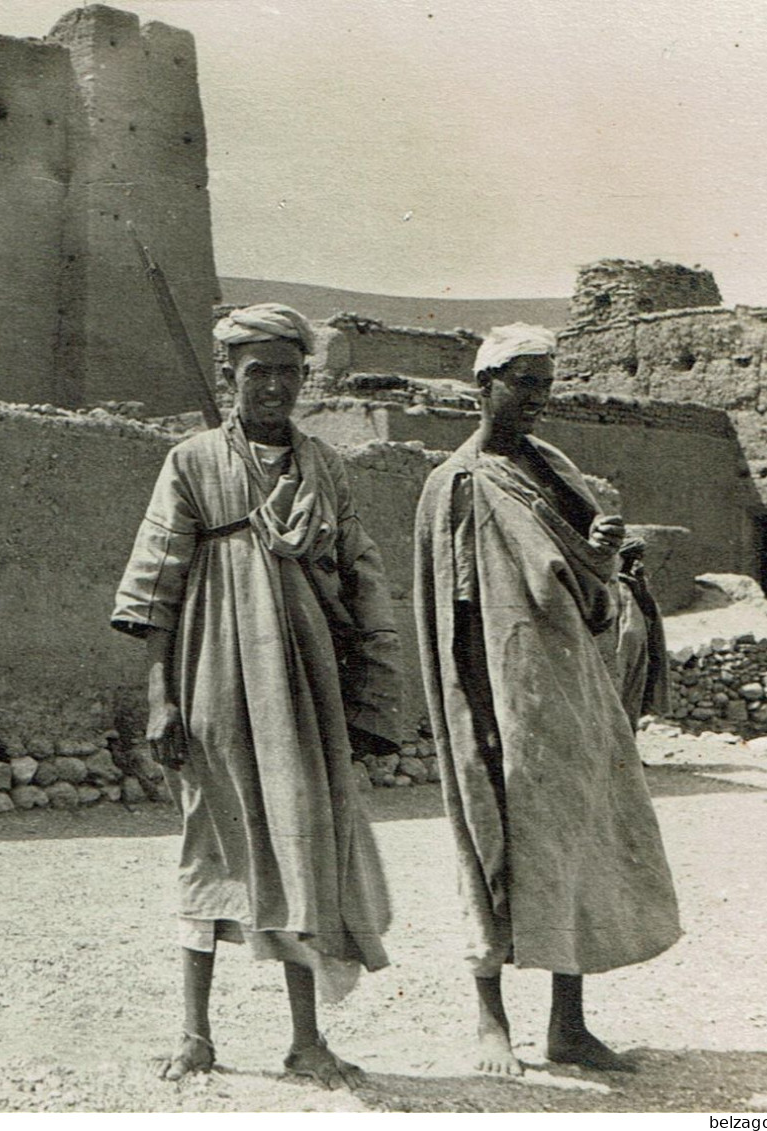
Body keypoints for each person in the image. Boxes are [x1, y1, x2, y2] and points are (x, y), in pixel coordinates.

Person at [111, 303, 401, 1087]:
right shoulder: (193, 462)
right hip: (212, 678)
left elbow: (364, 576)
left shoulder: (326, 469)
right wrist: (160, 697)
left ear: (306, 378)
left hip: (306, 691)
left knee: (304, 843)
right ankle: (193, 1032)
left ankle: (307, 1041)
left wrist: (376, 691)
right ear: (230, 377)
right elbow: (155, 588)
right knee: (210, 841)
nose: (274, 385)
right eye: (257, 371)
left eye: (288, 371)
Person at [414, 324, 680, 1077]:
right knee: (492, 843)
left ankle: (569, 1023)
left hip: (572, 692)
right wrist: (480, 717)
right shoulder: (460, 483)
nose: (537, 397)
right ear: (484, 385)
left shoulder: (552, 468)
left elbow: (591, 584)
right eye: (523, 382)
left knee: (578, 840)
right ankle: (490, 1020)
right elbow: (457, 609)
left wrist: (598, 556)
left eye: (545, 383)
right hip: (499, 696)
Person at [616, 537, 671, 731]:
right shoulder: (615, 585)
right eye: (631, 558)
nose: (637, 562)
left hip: (639, 649)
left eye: (639, 557)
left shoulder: (637, 584)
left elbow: (649, 614)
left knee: (633, 698)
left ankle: (628, 752)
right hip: (619, 650)